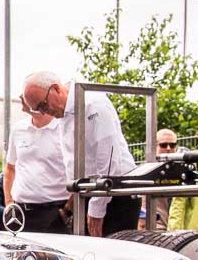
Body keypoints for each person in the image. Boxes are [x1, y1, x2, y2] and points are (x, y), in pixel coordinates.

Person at [19, 71, 138, 237]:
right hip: (92, 193)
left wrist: (97, 208)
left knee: (111, 257)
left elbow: (109, 161)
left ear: (56, 89)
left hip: (114, 194)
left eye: (43, 105)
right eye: (39, 109)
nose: (45, 112)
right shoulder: (65, 112)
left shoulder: (93, 104)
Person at [4, 97, 71, 234]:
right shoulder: (18, 129)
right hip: (22, 212)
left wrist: (67, 210)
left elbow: (79, 172)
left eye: (28, 96)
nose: (21, 98)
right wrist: (9, 203)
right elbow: (10, 168)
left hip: (56, 212)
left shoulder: (64, 128)